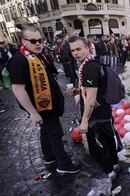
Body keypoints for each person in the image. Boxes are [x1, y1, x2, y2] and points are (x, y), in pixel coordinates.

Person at [7, 26, 80, 174]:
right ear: (24, 42)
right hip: (42, 107)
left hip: (47, 104)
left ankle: (50, 157)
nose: (38, 44)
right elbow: (17, 89)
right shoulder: (19, 60)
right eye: (33, 41)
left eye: (40, 40)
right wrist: (33, 113)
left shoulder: (36, 55)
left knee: (46, 132)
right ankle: (64, 165)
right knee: (55, 133)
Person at [67, 36, 121, 179]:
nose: (75, 53)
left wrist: (84, 121)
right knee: (108, 140)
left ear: (87, 48)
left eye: (79, 49)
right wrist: (78, 91)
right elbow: (92, 90)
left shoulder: (89, 68)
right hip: (104, 111)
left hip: (96, 116)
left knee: (97, 146)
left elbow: (91, 98)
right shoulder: (90, 63)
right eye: (72, 50)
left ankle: (110, 172)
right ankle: (114, 164)